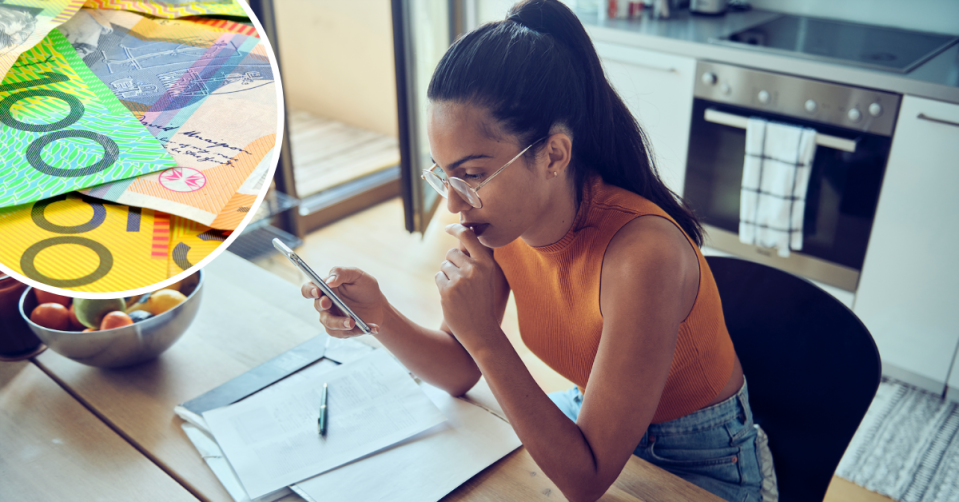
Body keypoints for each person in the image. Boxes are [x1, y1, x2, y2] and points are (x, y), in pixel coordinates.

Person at [300, 1, 777, 500]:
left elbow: (586, 478)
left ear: (553, 154)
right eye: (443, 174)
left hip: (699, 459)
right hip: (589, 420)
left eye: (473, 175)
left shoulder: (642, 256)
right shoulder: (501, 225)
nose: (452, 203)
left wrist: (485, 335)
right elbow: (461, 370)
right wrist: (379, 314)